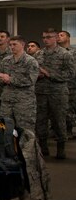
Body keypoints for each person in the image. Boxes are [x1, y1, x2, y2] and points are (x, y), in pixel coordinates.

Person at [34, 28, 75, 158]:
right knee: (40, 121)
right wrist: (38, 75)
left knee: (59, 120)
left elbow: (70, 74)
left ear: (56, 38)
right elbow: (32, 71)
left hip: (58, 92)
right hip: (41, 92)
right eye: (44, 37)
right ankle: (43, 146)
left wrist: (49, 74)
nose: (46, 40)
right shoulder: (39, 54)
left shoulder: (65, 54)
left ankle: (61, 147)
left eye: (49, 37)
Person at [0, 36, 39, 131]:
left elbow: (30, 80)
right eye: (10, 45)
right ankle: (10, 146)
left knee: (25, 130)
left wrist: (10, 79)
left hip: (24, 102)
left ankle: (26, 146)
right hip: (7, 101)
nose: (12, 47)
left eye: (15, 44)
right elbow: (1, 77)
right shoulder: (6, 60)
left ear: (22, 45)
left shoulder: (30, 61)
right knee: (5, 129)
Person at [58, 30, 76, 137]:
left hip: (71, 85)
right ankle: (60, 130)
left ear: (68, 38)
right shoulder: (56, 52)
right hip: (58, 85)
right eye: (58, 35)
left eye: (62, 35)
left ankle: (69, 130)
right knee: (60, 109)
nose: (59, 37)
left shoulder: (73, 52)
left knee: (70, 108)